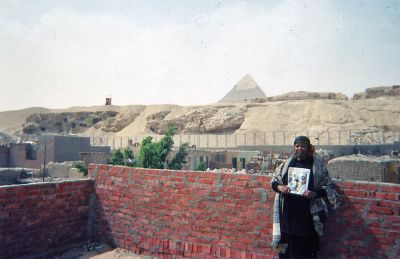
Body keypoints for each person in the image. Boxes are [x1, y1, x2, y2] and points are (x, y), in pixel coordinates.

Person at [271, 136, 340, 258]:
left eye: (303, 146)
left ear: (308, 148)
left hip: (308, 215)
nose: (300, 148)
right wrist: (281, 188)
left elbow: (329, 187)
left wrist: (315, 193)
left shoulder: (318, 166)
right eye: (297, 146)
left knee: (306, 248)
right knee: (287, 247)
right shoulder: (286, 164)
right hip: (288, 214)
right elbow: (274, 182)